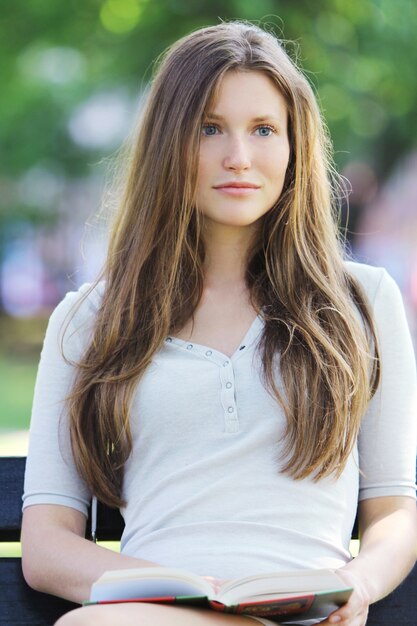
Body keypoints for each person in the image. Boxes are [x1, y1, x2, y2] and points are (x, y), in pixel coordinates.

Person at [21, 20, 416, 626]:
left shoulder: (363, 300)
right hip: (155, 613)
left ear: (294, 146)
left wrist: (355, 584)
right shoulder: (89, 319)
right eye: (209, 128)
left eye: (264, 129)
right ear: (168, 142)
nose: (238, 157)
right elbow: (46, 546)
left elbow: (394, 511)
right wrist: (191, 591)